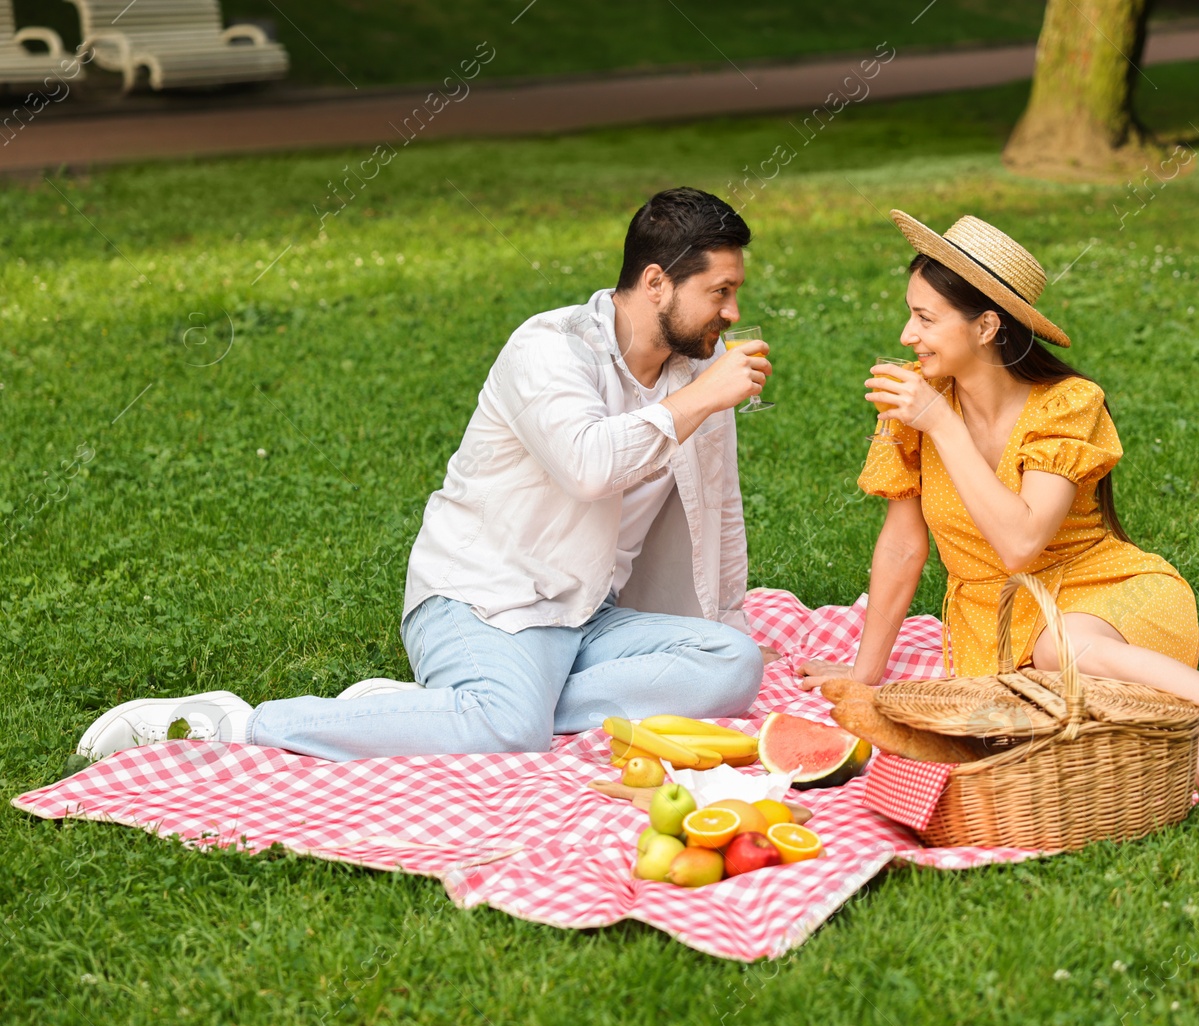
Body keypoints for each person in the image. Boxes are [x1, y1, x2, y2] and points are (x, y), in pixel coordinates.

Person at [77, 187, 771, 763]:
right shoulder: (548, 350)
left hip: (589, 613)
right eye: (720, 291)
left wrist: (725, 617)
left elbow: (720, 509)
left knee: (735, 662)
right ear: (656, 282)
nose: (733, 313)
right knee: (510, 730)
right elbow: (589, 465)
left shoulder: (697, 371)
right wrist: (702, 399)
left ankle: (433, 710)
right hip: (481, 603)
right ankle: (242, 724)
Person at [798, 210, 1199, 827]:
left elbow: (1022, 543)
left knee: (1064, 650)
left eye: (924, 318)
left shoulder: (1066, 405)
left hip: (1111, 597)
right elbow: (901, 547)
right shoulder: (914, 406)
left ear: (987, 325)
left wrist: (941, 426)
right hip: (994, 631)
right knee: (1061, 733)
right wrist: (865, 675)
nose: (905, 336)